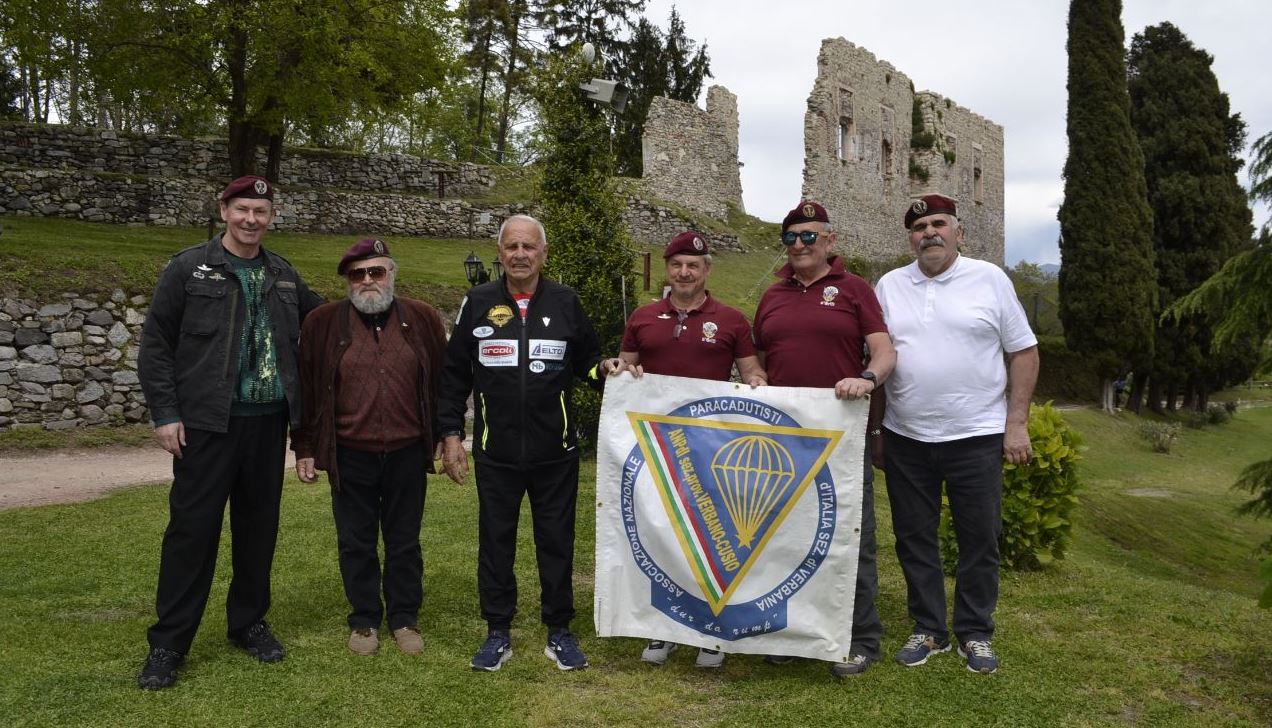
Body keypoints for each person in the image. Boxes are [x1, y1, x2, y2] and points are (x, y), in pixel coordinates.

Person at [135, 175, 323, 689]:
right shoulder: (189, 268)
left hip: (266, 425)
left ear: (272, 216)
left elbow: (325, 320)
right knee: (191, 534)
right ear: (224, 210)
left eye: (260, 211)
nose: (251, 220)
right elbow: (155, 347)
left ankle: (248, 623)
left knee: (258, 531)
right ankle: (169, 643)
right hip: (205, 426)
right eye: (242, 209)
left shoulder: (283, 274)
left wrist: (378, 302)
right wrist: (165, 413)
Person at [438, 214, 620, 672]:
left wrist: (608, 371)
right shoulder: (477, 301)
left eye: (529, 247)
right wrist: (451, 435)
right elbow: (454, 375)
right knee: (495, 543)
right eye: (512, 247)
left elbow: (589, 363)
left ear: (543, 253)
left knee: (555, 542)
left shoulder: (564, 301)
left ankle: (559, 630)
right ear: (499, 253)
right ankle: (497, 631)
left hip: (554, 453)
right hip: (496, 452)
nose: (520, 255)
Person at [873, 193, 1039, 675]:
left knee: (979, 538)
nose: (929, 233)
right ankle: (929, 629)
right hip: (907, 436)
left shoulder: (989, 279)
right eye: (920, 226)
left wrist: (1017, 423)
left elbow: (1024, 352)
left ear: (958, 232)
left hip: (977, 434)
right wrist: (878, 429)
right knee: (913, 538)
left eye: (938, 223)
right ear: (910, 238)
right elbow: (880, 358)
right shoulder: (889, 285)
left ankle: (975, 632)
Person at [609, 230, 767, 669]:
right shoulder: (643, 316)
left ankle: (710, 633)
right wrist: (617, 369)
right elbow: (628, 368)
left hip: (712, 449)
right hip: (658, 450)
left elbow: (753, 372)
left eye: (693, 265)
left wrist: (757, 384)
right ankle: (664, 629)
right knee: (662, 535)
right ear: (668, 269)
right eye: (677, 265)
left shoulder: (733, 320)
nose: (684, 272)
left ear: (706, 270)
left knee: (714, 540)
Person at [752, 200, 895, 678]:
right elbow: (758, 358)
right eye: (790, 238)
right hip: (783, 438)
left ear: (830, 241)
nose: (798, 245)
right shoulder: (772, 296)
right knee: (785, 537)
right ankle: (793, 634)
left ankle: (859, 637)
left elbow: (883, 350)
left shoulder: (855, 290)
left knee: (849, 537)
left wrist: (869, 379)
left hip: (841, 437)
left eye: (808, 236)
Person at [291, 238, 448, 657]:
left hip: (407, 451)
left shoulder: (423, 318)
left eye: (376, 271)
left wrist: (445, 435)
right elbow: (307, 389)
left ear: (392, 274)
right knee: (355, 541)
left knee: (404, 540)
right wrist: (304, 445)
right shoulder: (322, 323)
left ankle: (403, 618)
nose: (367, 281)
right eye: (357, 274)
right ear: (347, 281)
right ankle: (364, 621)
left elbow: (441, 383)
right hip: (349, 453)